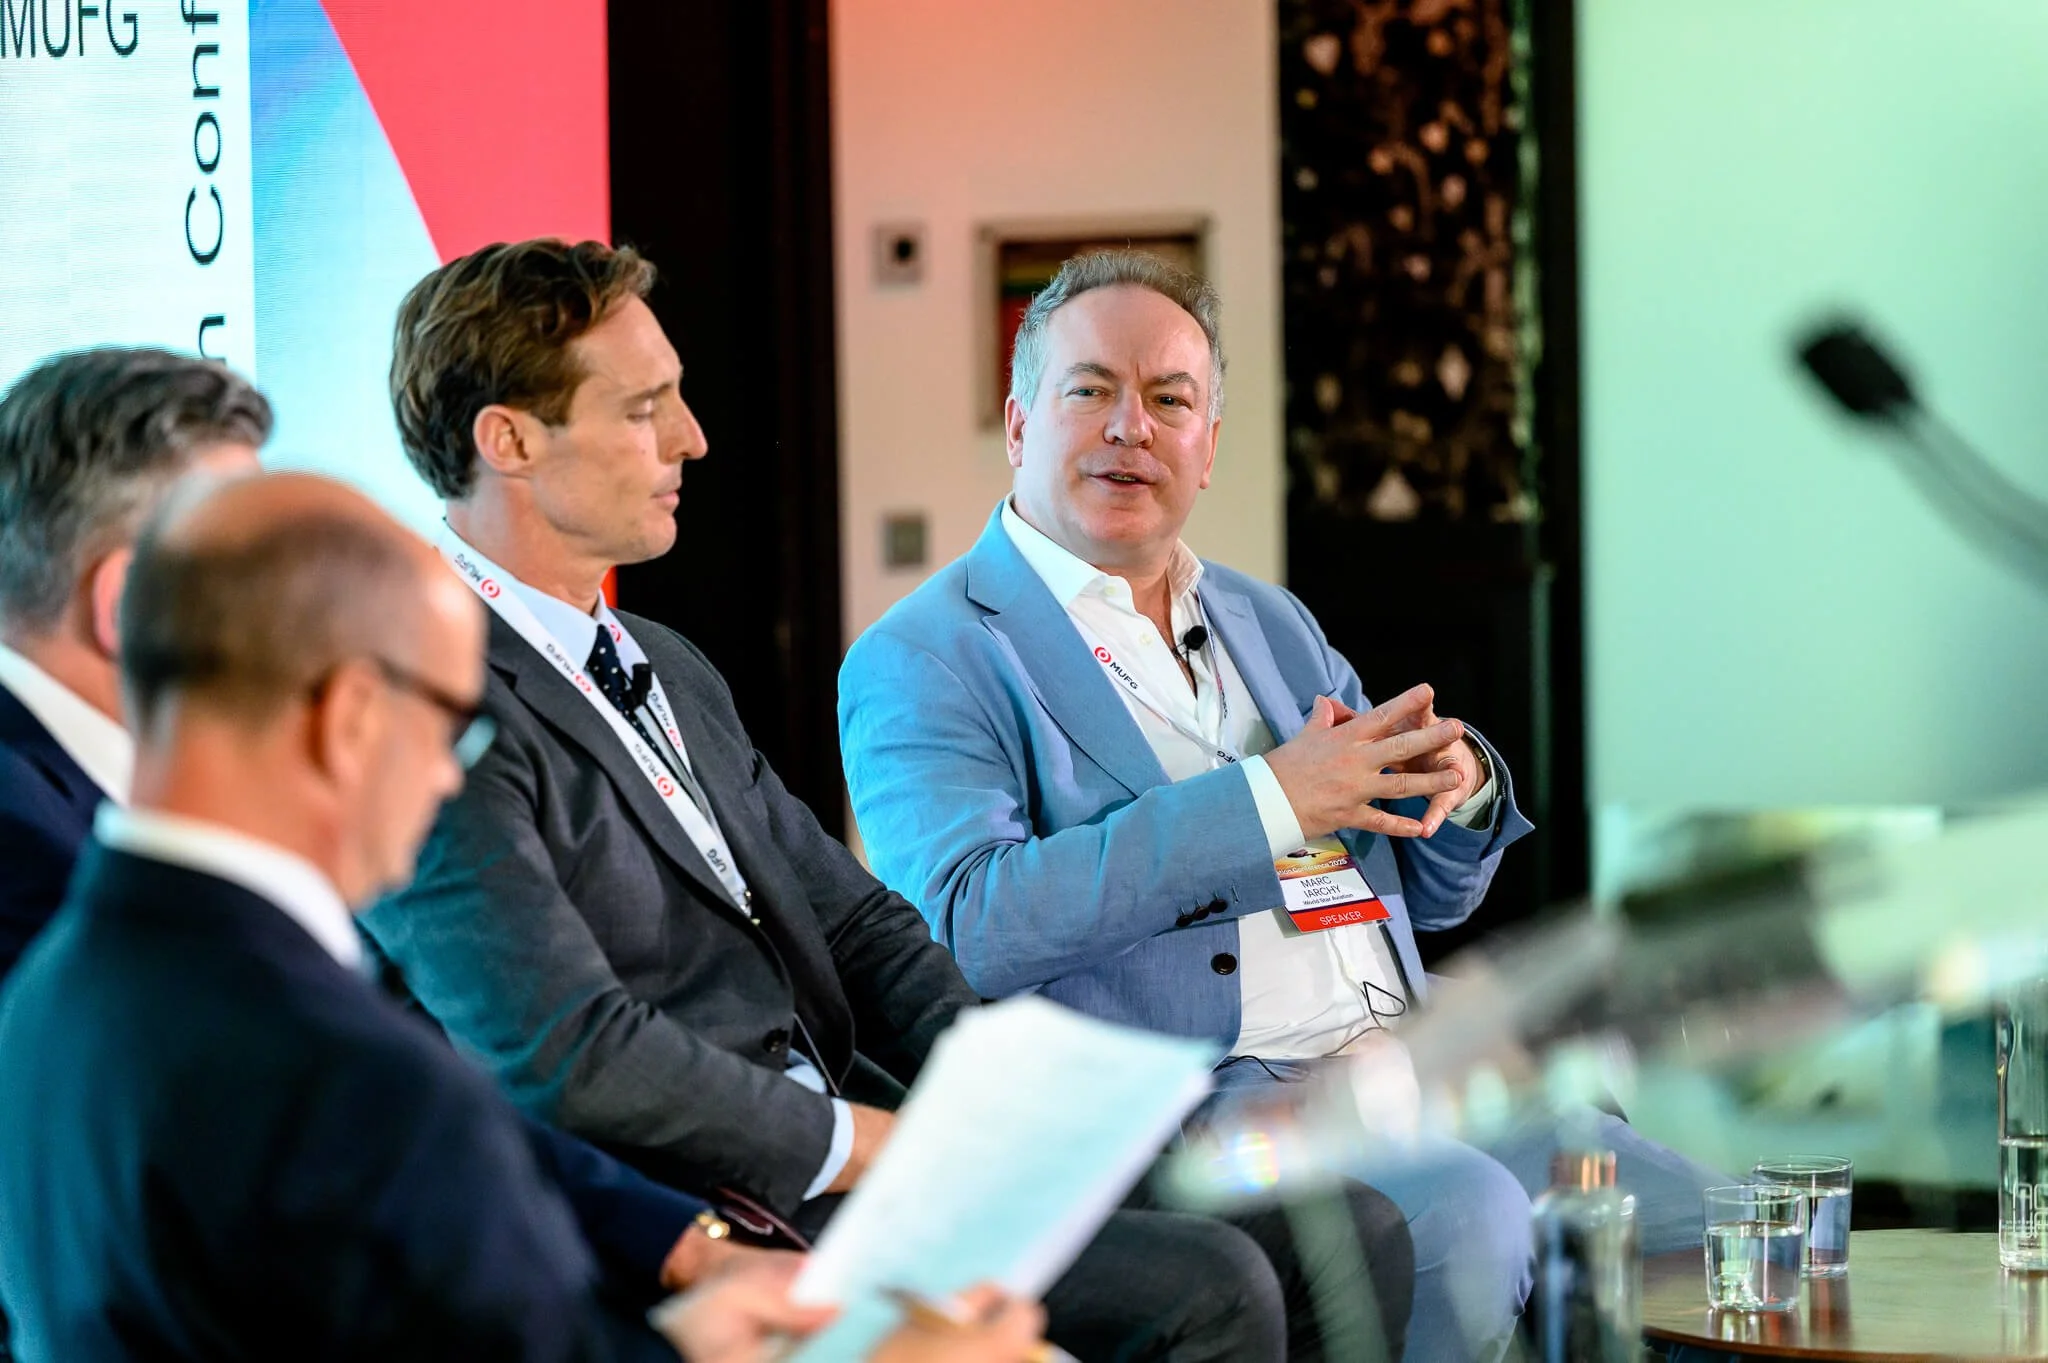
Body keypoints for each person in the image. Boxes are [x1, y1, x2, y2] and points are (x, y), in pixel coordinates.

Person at [362, 237, 1413, 1360]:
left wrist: (1004, 1093)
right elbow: (570, 1054)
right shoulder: (426, 699)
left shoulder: (662, 659)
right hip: (702, 1207)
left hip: (870, 1141)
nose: (692, 439)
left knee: (1350, 1231)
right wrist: (849, 1140)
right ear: (509, 440)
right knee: (1210, 1289)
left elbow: (857, 921)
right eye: (644, 408)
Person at [837, 249, 1727, 1362]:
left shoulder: (1266, 619)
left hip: (1402, 1051)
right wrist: (1263, 798)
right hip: (1187, 1101)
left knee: (1722, 1229)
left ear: (1207, 448)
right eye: (1089, 391)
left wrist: (1456, 788)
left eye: (1169, 400)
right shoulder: (929, 654)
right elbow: (965, 927)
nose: (1130, 427)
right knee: (1474, 1218)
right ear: (1019, 426)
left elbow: (1417, 887)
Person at [0, 470, 1046, 1363]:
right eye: (453, 732)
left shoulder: (58, 984)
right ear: (353, 718)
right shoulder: (349, 1080)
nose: (447, 784)